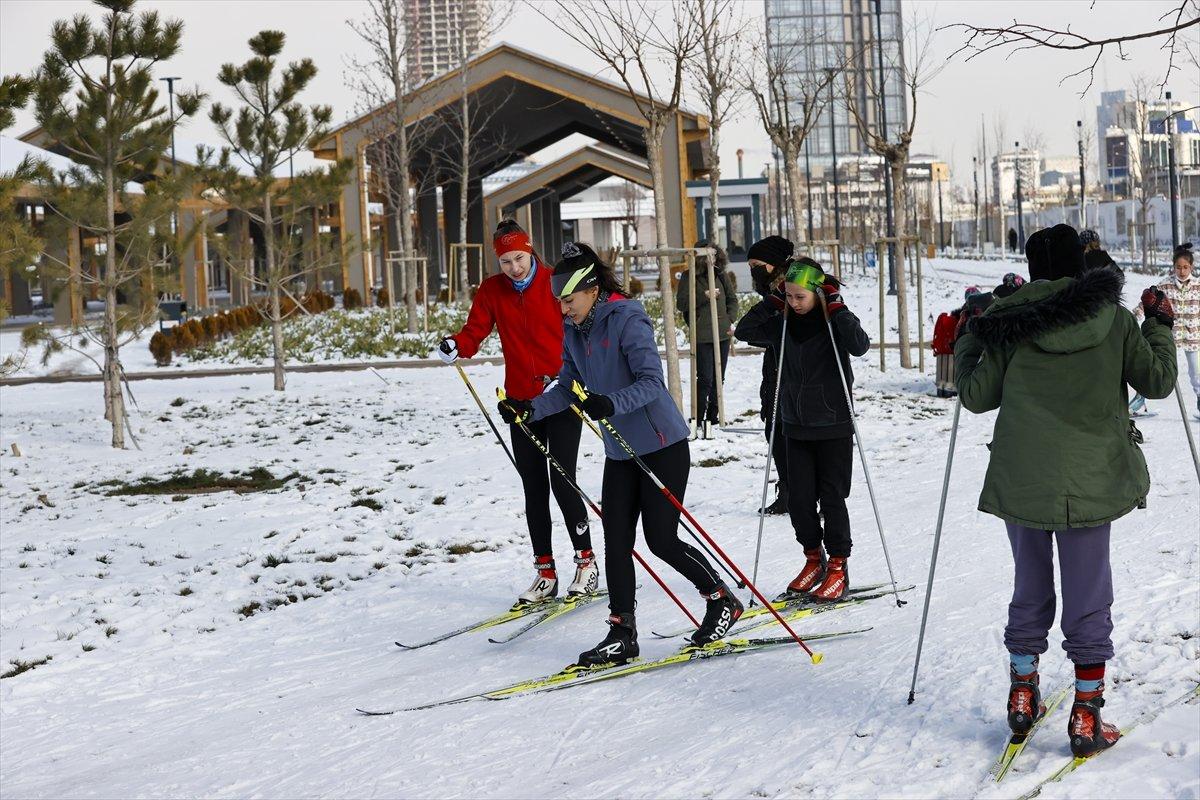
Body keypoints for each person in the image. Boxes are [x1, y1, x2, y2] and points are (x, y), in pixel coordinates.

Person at [954, 223, 1178, 758]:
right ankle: (1086, 713)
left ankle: (1023, 693)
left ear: (1032, 271)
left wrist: (970, 336)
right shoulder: (1116, 320)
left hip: (1023, 477)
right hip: (1092, 475)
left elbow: (976, 396)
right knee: (1088, 590)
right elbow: (1158, 382)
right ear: (1081, 268)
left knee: (1029, 585)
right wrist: (1159, 325)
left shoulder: (1010, 322)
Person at [499, 241, 742, 666]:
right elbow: (567, 387)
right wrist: (528, 410)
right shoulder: (575, 330)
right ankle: (621, 632)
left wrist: (610, 403)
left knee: (661, 540)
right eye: (559, 303)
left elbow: (651, 382)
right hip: (620, 452)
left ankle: (721, 600)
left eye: (569, 301)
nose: (563, 310)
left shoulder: (627, 318)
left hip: (661, 445)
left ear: (592, 290)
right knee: (616, 541)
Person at [436, 220, 596, 607]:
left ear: (530, 249)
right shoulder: (492, 290)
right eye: (505, 261)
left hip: (561, 395)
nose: (514, 268)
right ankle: (545, 573)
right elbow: (474, 331)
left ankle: (586, 564)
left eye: (519, 258)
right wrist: (456, 345)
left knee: (563, 482)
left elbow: (581, 325)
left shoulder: (555, 282)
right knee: (533, 488)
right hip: (520, 401)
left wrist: (575, 374)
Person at [734, 257, 870, 602]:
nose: (794, 303)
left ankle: (838, 566)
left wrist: (836, 306)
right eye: (789, 295)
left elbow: (860, 345)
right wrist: (772, 300)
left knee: (832, 497)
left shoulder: (834, 320)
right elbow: (744, 331)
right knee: (798, 499)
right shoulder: (781, 324)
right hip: (794, 423)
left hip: (833, 423)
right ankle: (813, 558)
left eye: (800, 297)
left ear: (817, 293)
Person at [745, 235, 794, 515]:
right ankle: (787, 492)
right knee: (774, 433)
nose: (753, 271)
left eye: (757, 265)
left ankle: (814, 496)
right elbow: (755, 331)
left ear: (773, 264)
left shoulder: (793, 292)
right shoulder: (770, 294)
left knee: (793, 438)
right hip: (774, 372)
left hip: (795, 376)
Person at [676, 242, 738, 439]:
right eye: (709, 256)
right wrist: (704, 296)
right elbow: (682, 304)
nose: (712, 259)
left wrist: (730, 318)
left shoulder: (721, 275)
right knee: (705, 379)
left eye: (715, 255)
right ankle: (699, 416)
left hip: (722, 333)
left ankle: (713, 417)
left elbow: (732, 299)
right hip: (702, 334)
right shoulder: (688, 276)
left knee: (719, 378)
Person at [1134, 243, 1198, 418]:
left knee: (1197, 374)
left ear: (1191, 267)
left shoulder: (1198, 286)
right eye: (1178, 267)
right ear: (1174, 267)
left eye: (1185, 267)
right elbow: (1148, 303)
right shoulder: (1165, 285)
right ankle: (1139, 400)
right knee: (1156, 367)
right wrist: (1134, 314)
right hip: (1168, 336)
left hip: (1193, 337)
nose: (1182, 271)